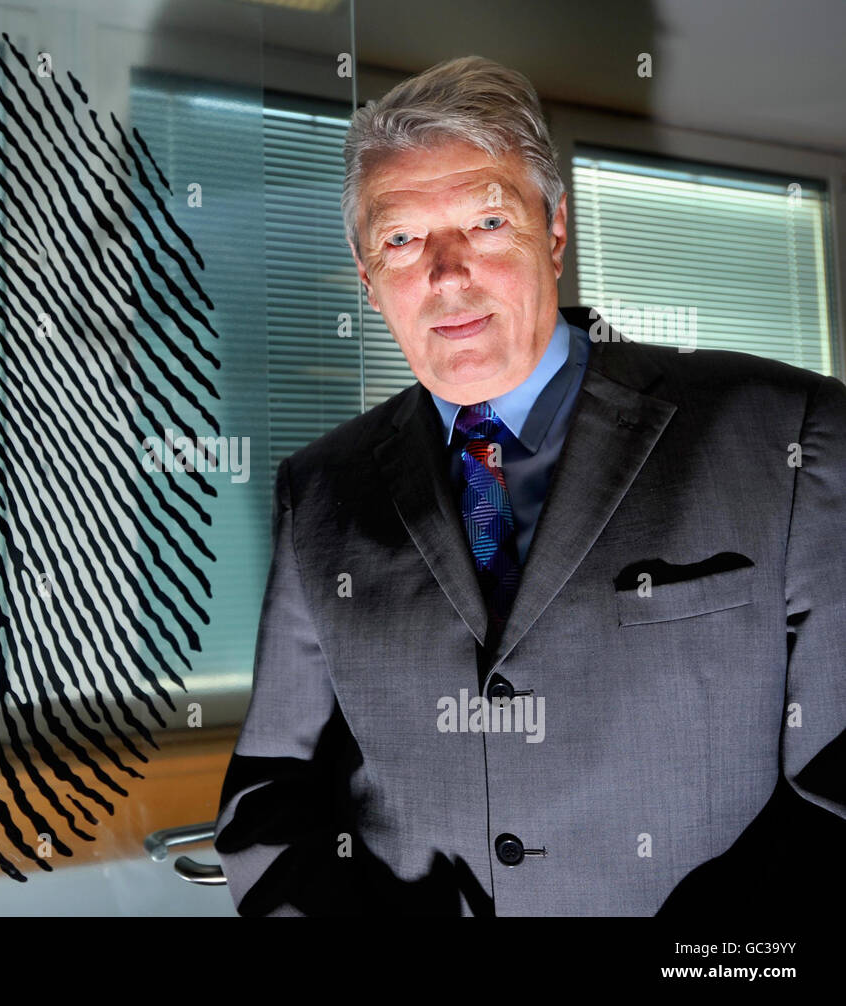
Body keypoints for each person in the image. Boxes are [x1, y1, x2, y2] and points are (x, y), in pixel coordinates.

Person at [212, 55, 846, 916]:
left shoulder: (790, 434)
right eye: (401, 239)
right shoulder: (319, 491)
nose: (446, 272)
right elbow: (272, 796)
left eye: (485, 222)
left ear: (554, 231)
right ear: (368, 279)